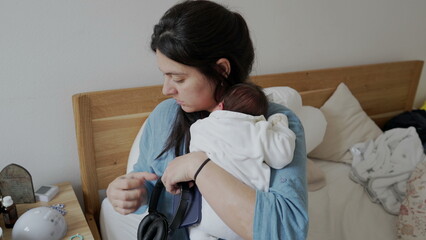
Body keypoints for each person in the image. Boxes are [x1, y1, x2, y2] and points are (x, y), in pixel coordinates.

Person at [105, 1, 308, 239]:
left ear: (222, 69)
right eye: (165, 76)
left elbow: (287, 232)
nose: (166, 89)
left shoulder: (273, 125)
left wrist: (198, 166)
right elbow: (149, 181)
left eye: (178, 79)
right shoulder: (164, 117)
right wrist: (133, 193)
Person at [188, 82, 296, 240]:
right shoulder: (259, 130)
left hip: (206, 214)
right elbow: (282, 157)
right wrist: (278, 123)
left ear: (220, 105)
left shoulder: (199, 127)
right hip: (244, 218)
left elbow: (194, 153)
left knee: (197, 232)